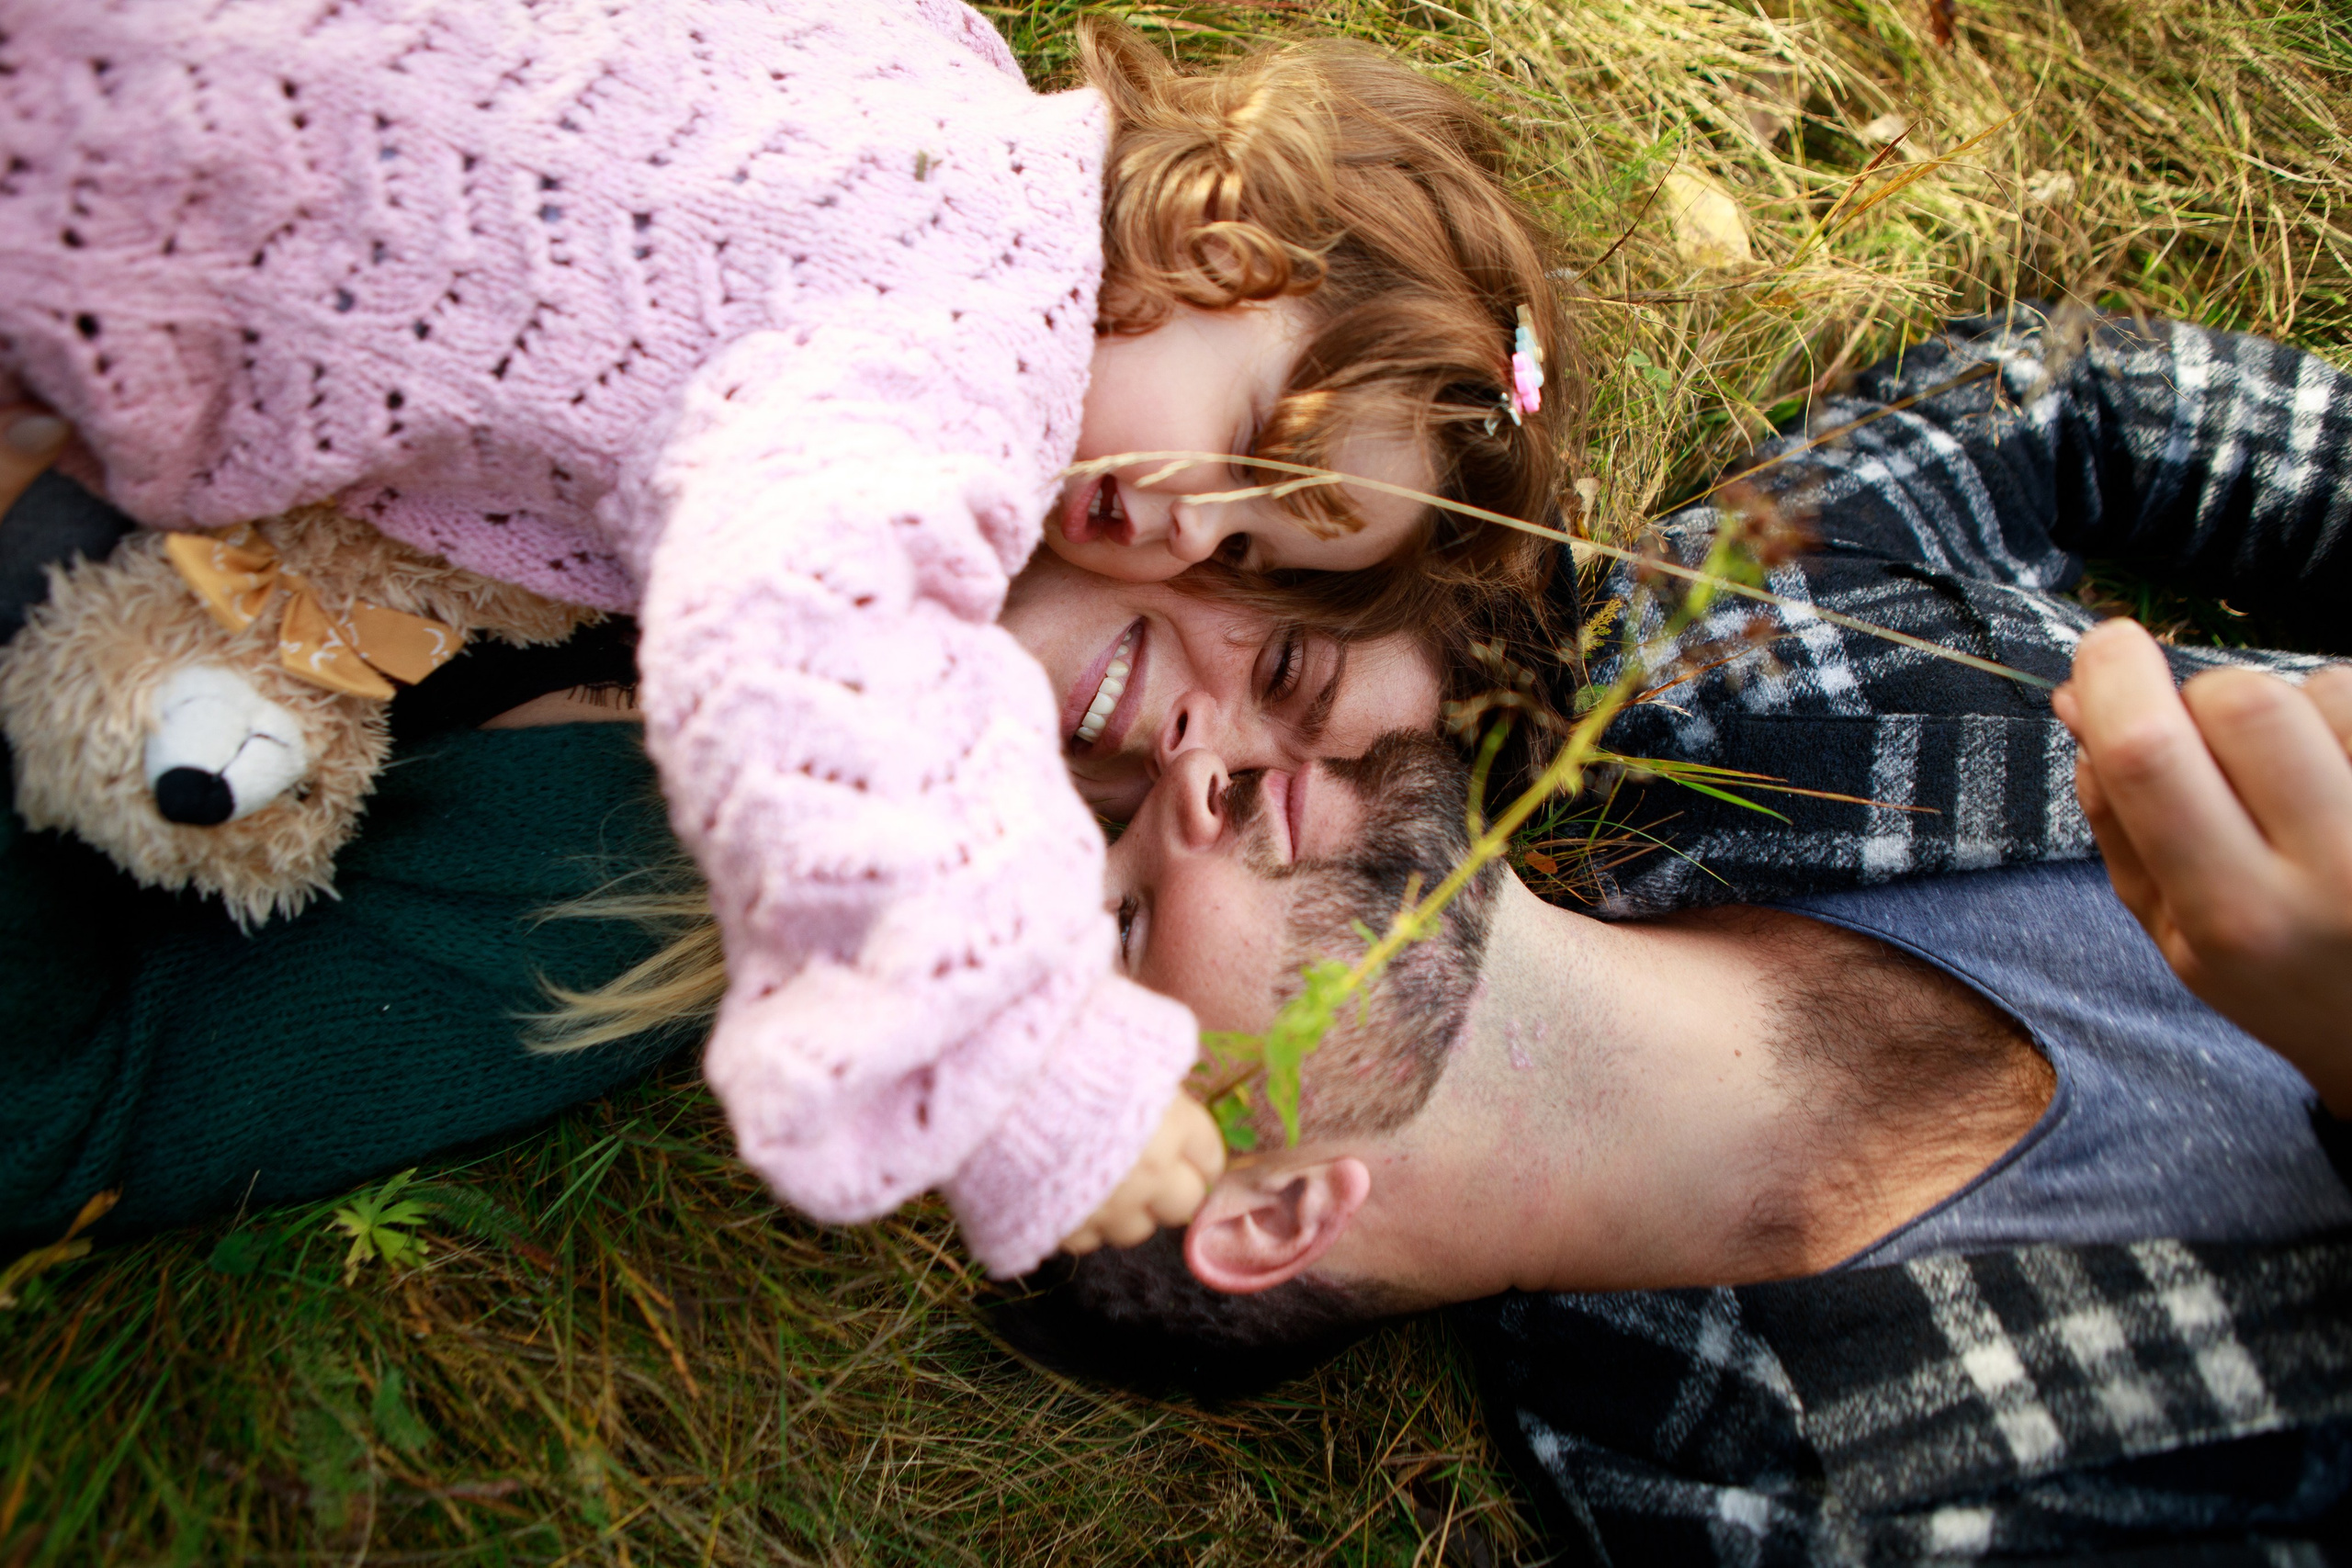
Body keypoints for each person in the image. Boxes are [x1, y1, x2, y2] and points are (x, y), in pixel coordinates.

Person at [0, 3, 1569, 1275]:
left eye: (1256, 550)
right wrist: (1036, 1067)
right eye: (1283, 657)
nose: (1192, 751)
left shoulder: (644, 870)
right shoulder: (937, 335)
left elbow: (68, 1115)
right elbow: (826, 624)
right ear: (1225, 239)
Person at [1010, 728, 2352, 1556]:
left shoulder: (1710, 674)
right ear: (1265, 1212)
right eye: (1124, 928)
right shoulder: (1789, 1512)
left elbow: (2078, 401)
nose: (1189, 773)